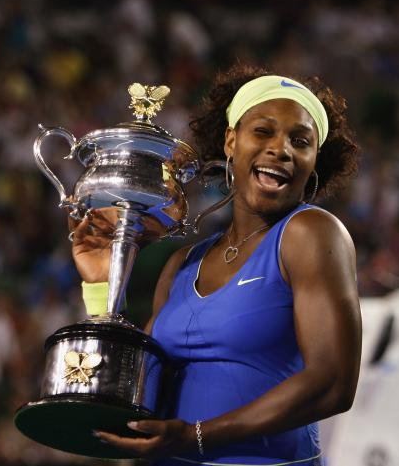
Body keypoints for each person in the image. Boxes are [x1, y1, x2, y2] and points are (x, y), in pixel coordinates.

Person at [71, 65, 362, 465]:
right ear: (231, 142)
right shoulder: (181, 263)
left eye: (301, 141)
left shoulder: (311, 233)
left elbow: (333, 383)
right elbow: (140, 387)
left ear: (313, 161)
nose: (282, 149)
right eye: (263, 131)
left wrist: (197, 437)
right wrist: (104, 288)